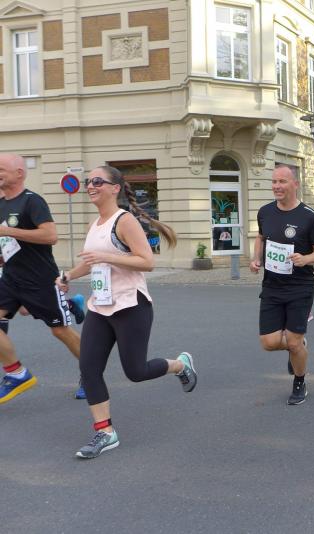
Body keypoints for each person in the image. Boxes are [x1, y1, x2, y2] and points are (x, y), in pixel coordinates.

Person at [56, 166, 197, 459]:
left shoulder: (125, 220)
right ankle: (105, 432)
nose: (91, 186)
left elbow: (147, 262)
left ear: (115, 188)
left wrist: (107, 256)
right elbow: (91, 262)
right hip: (100, 306)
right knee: (89, 368)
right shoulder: (95, 224)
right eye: (88, 181)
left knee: (136, 372)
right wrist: (68, 275)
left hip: (130, 305)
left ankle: (180, 365)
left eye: (98, 181)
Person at [0, 153, 84, 404]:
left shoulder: (32, 201)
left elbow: (50, 236)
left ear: (19, 173)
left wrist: (7, 230)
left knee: (59, 330)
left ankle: (91, 374)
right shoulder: (1, 204)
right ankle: (16, 373)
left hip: (40, 280)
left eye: (1, 169)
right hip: (11, 278)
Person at [250, 165, 314, 405]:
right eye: (274, 182)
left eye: (282, 181)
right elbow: (260, 237)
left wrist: (305, 259)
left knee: (292, 342)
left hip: (300, 286)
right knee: (269, 342)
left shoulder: (310, 217)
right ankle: (298, 346)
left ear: (295, 184)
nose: (277, 186)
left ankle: (299, 381)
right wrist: (256, 259)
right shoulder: (265, 212)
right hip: (272, 286)